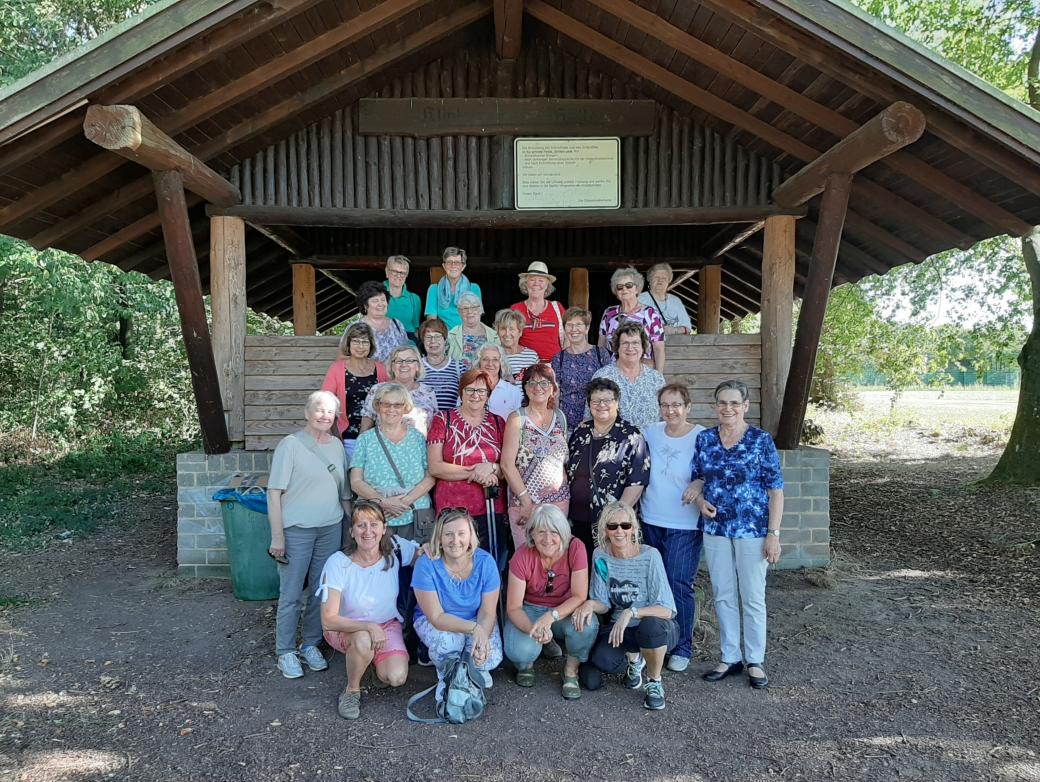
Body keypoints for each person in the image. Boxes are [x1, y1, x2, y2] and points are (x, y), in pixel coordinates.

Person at [682, 379, 784, 690]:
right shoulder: (706, 439)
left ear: (745, 406)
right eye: (722, 403)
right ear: (715, 406)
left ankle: (755, 660)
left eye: (734, 403)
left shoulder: (759, 440)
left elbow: (775, 490)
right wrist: (699, 501)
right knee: (723, 594)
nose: (728, 408)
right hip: (715, 529)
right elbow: (698, 477)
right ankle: (730, 656)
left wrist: (773, 534)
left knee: (752, 597)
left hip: (751, 529)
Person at [267, 390, 353, 680]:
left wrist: (351, 523)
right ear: (307, 412)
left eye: (330, 412)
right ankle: (285, 650)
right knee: (291, 593)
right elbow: (274, 493)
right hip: (297, 531)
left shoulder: (337, 448)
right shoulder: (289, 445)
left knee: (321, 591)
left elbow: (343, 493)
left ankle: (311, 644)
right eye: (319, 409)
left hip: (330, 528)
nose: (324, 416)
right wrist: (277, 537)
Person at [317, 501, 420, 719]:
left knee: (396, 677)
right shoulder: (338, 563)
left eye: (374, 524)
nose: (368, 531)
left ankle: (371, 665)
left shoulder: (395, 549)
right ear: (352, 532)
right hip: (347, 627)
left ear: (384, 528)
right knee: (363, 640)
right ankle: (352, 690)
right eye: (361, 525)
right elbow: (328, 620)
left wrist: (429, 551)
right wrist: (368, 626)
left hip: (386, 624)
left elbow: (420, 556)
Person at [572, 502, 679, 710]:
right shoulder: (600, 556)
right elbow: (602, 602)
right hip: (621, 629)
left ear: (634, 528)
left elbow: (667, 609)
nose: (619, 531)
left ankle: (654, 682)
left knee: (650, 628)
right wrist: (588, 604)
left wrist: (632, 612)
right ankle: (634, 662)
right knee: (602, 661)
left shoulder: (650, 556)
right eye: (612, 526)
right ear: (605, 530)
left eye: (625, 525)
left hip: (657, 627)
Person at [640, 384, 706, 673]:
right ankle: (655, 642)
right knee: (652, 583)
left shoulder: (701, 436)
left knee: (679, 583)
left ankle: (682, 646)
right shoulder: (650, 432)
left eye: (677, 404)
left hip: (684, 522)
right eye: (665, 405)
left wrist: (699, 483)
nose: (671, 410)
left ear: (688, 407)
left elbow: (710, 470)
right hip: (651, 517)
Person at [504, 505, 597, 699]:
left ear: (563, 533)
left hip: (565, 608)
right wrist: (534, 628)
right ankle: (527, 664)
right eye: (541, 532)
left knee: (587, 624)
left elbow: (579, 596)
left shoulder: (575, 547)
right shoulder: (521, 556)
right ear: (532, 534)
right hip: (530, 609)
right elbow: (513, 607)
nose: (547, 539)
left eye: (554, 532)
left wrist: (551, 616)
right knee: (520, 652)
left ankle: (571, 670)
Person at [412, 508, 504, 699]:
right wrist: (474, 629)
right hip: (437, 621)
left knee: (488, 658)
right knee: (448, 643)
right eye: (448, 534)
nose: (455, 541)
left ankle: (470, 668)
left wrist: (481, 636)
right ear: (439, 537)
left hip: (474, 618)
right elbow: (436, 618)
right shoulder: (426, 564)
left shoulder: (485, 562)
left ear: (471, 536)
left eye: (461, 533)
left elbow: (487, 612)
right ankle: (447, 674)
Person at [427, 368, 508, 566]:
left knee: (488, 563)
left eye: (481, 391)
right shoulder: (443, 420)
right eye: (470, 390)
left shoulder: (499, 422)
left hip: (490, 506)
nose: (475, 395)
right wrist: (476, 472)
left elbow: (506, 467)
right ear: (461, 392)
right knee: (454, 563)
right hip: (452, 508)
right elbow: (435, 467)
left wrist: (492, 468)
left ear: (489, 395)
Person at [565, 378, 650, 554]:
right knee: (582, 568)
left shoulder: (631, 436)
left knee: (609, 568)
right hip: (576, 518)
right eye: (595, 401)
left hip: (613, 524)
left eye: (607, 400)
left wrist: (616, 518)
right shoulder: (581, 432)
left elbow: (637, 481)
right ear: (589, 404)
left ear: (617, 403)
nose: (601, 405)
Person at [350, 383, 435, 542]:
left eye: (397, 405)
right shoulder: (365, 439)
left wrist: (405, 502)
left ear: (406, 408)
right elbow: (355, 481)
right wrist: (384, 502)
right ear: (377, 406)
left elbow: (430, 476)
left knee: (414, 564)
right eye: (385, 404)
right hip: (376, 517)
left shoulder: (418, 438)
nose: (391, 409)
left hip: (415, 515)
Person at [500, 362, 569, 549]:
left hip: (559, 502)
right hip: (525, 504)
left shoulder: (560, 417)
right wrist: (526, 501)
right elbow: (506, 464)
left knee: (556, 557)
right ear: (525, 388)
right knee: (526, 560)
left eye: (544, 383)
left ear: (553, 388)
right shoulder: (517, 419)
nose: (538, 388)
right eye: (531, 383)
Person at [322, 322, 389, 458]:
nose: (360, 346)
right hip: (347, 437)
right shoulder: (336, 369)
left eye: (365, 342)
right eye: (356, 341)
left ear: (371, 345)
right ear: (348, 343)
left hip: (377, 436)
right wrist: (332, 436)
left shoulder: (381, 369)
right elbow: (324, 403)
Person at [592, 322, 666, 429]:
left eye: (635, 343)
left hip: (650, 444)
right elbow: (590, 417)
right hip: (614, 444)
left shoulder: (656, 379)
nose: (630, 348)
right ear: (617, 347)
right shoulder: (603, 377)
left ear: (643, 347)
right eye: (625, 343)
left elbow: (665, 418)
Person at [551, 306, 613, 431]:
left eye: (578, 324)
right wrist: (557, 424)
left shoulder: (601, 354)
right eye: (569, 325)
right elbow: (555, 395)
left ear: (587, 328)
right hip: (568, 425)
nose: (574, 329)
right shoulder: (559, 358)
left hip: (597, 422)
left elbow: (611, 390)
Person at [359, 345, 438, 436]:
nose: (403, 365)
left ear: (418, 366)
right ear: (392, 366)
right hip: (383, 448)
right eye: (398, 361)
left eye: (409, 360)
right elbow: (365, 429)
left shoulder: (428, 392)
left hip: (420, 448)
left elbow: (434, 430)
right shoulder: (377, 390)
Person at [598, 267, 665, 372]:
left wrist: (659, 376)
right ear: (616, 291)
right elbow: (601, 345)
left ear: (637, 289)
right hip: (613, 372)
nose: (624, 289)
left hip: (642, 372)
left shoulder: (651, 314)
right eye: (619, 287)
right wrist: (601, 372)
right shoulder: (609, 313)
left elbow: (659, 349)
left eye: (629, 285)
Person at [510, 261, 565, 361]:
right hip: (525, 366)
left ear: (547, 285)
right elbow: (509, 339)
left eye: (541, 280)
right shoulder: (515, 309)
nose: (536, 284)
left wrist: (565, 363)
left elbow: (567, 338)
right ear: (525, 283)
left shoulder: (557, 307)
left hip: (554, 365)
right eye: (532, 280)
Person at [424, 246, 482, 330]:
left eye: (457, 262)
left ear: (463, 266)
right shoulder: (434, 289)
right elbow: (432, 321)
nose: (453, 266)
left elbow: (476, 320)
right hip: (444, 335)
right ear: (444, 266)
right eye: (449, 262)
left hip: (467, 335)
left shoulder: (474, 288)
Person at [356, 280, 410, 364]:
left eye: (383, 300)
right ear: (365, 305)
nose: (380, 304)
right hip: (369, 375)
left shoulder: (397, 324)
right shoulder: (356, 327)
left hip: (396, 375)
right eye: (375, 301)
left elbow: (407, 352)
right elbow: (344, 358)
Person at [447, 292, 499, 370]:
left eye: (474, 307)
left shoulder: (495, 335)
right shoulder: (450, 336)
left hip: (487, 379)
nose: (469, 311)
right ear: (459, 312)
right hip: (459, 380)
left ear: (481, 309)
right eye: (465, 308)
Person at [418, 318, 461, 411]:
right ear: (423, 341)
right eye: (428, 337)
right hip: (423, 423)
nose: (433, 341)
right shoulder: (416, 366)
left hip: (450, 423)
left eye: (437, 336)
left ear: (445, 340)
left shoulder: (459, 367)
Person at [639, 262, 692, 336]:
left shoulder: (676, 301)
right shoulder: (640, 299)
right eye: (656, 277)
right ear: (649, 279)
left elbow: (688, 328)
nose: (660, 280)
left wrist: (673, 330)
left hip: (675, 345)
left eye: (664, 278)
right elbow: (630, 326)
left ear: (668, 281)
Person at [478, 342, 523, 419]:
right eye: (485, 359)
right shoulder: (469, 388)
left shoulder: (513, 391)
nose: (490, 364)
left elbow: (519, 422)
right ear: (479, 362)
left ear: (501, 363)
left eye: (495, 360)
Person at [384, 254, 423, 342]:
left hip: (407, 342)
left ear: (406, 275)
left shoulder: (414, 299)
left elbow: (416, 330)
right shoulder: (376, 293)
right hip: (382, 341)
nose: (398, 275)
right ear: (387, 272)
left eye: (402, 272)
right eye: (394, 271)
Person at [496, 308, 539, 381]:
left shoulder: (532, 356)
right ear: (497, 331)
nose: (507, 334)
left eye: (511, 329)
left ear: (520, 332)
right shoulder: (493, 356)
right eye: (503, 329)